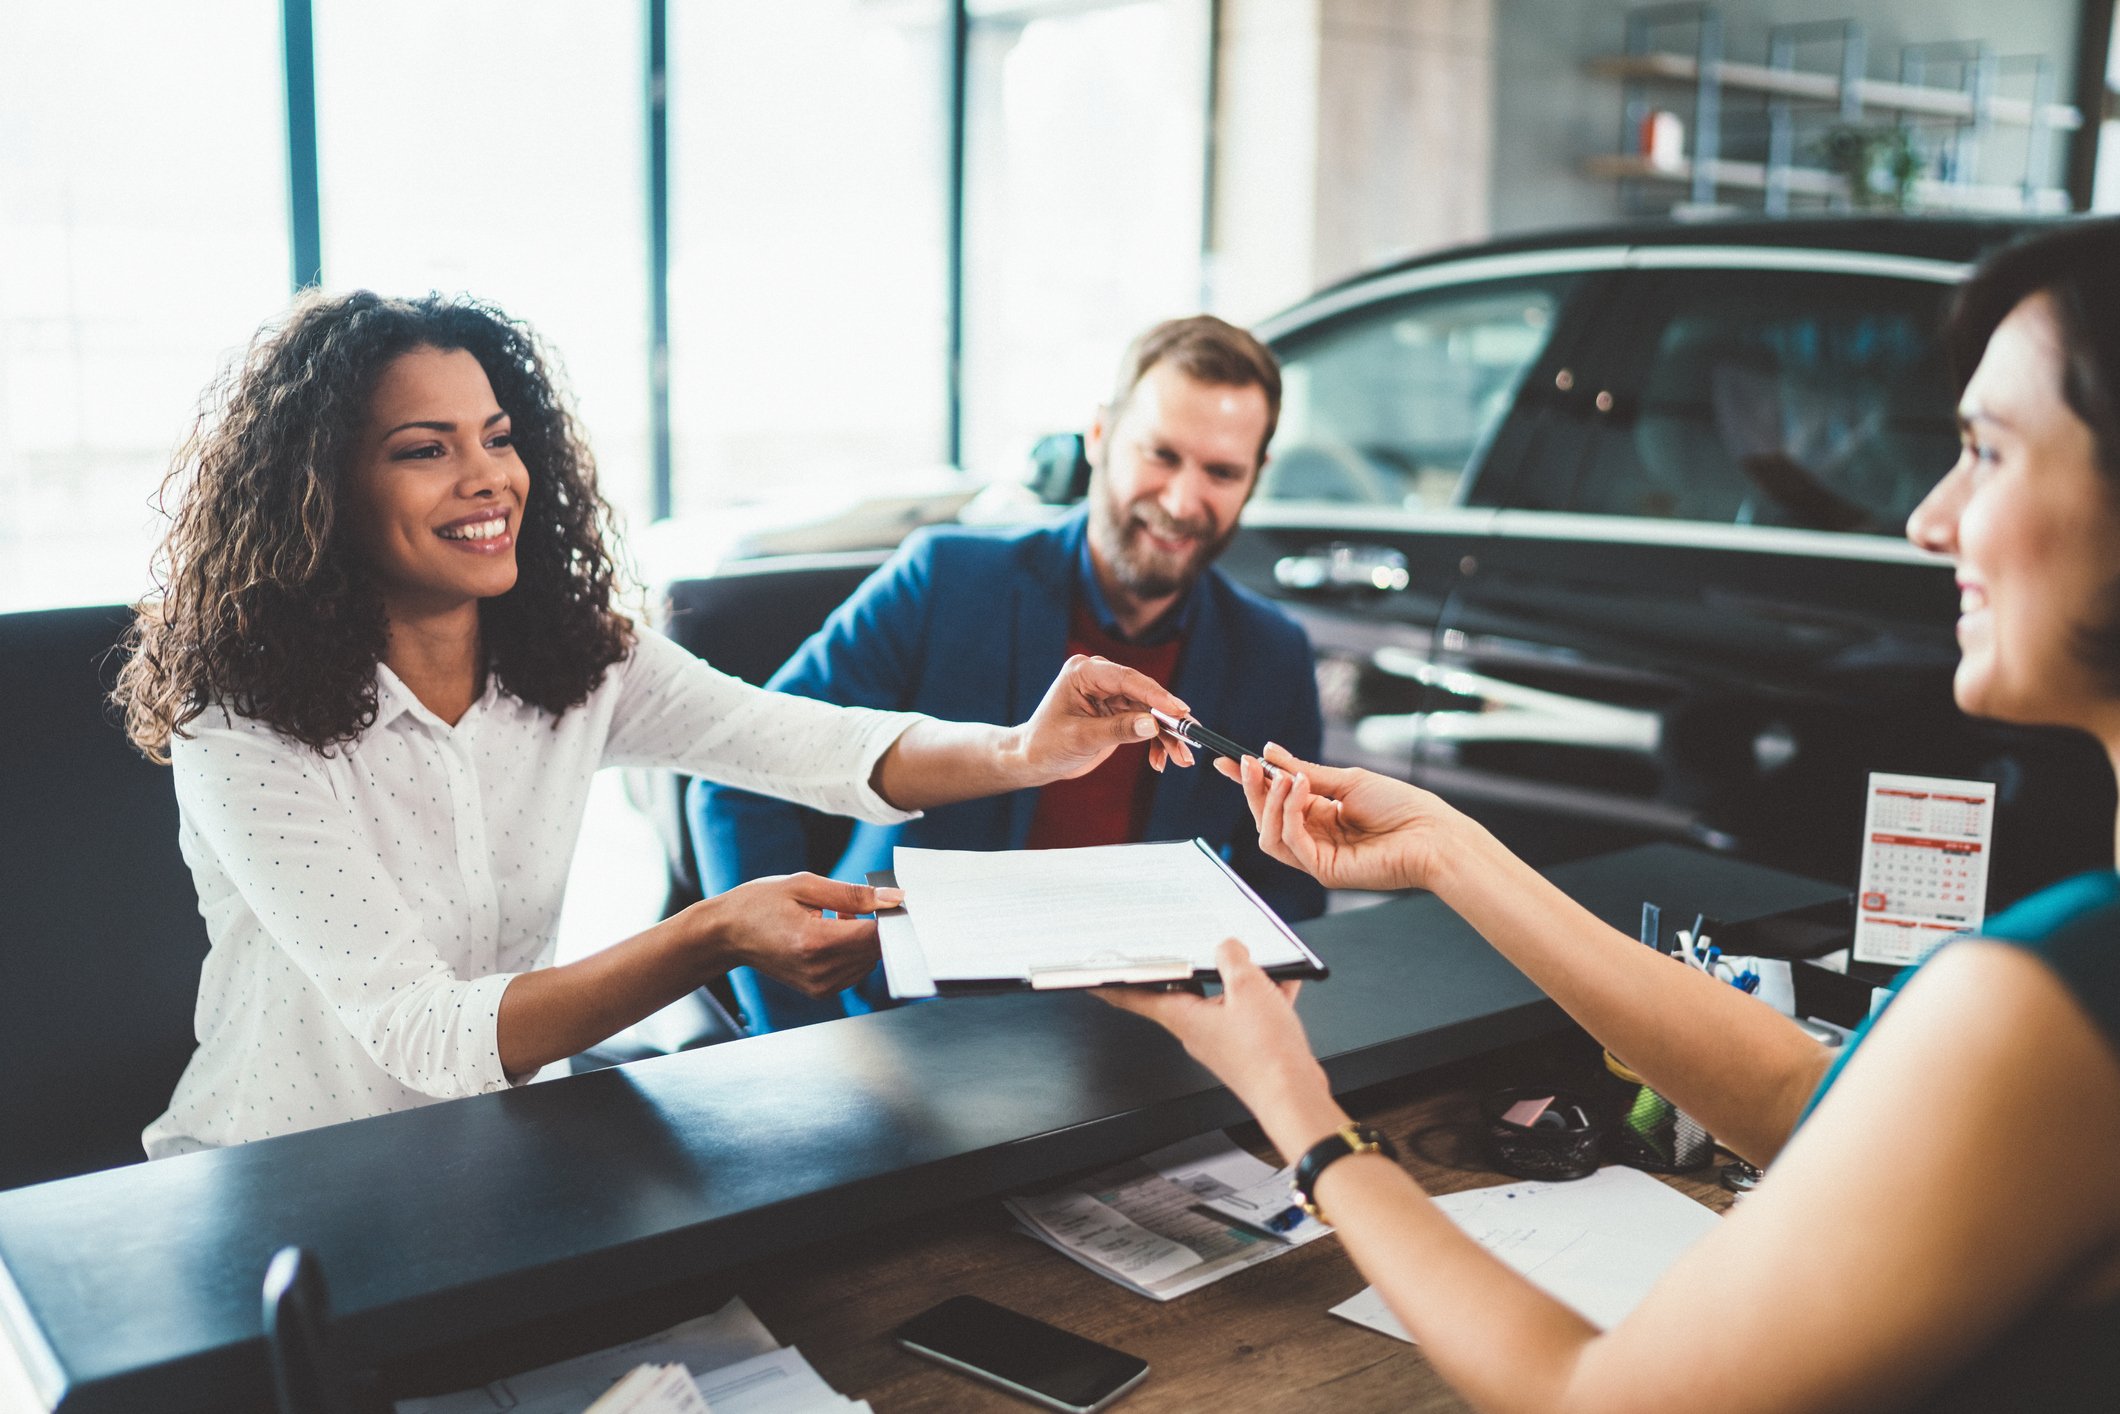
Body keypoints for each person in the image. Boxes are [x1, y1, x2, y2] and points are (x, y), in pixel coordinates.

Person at [1102, 219, 2120, 1412]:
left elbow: (1589, 1396)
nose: (1926, 518)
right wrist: (1451, 851)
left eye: (1988, 454)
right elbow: (1812, 1098)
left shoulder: (2057, 993)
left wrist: (1296, 1109)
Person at [115, 290, 1191, 1157]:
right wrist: (709, 933)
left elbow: (813, 746)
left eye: (496, 436)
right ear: (324, 490)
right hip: (277, 1173)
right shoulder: (240, 720)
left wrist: (1022, 750)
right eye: (424, 448)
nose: (488, 475)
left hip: (485, 1150)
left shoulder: (574, 659)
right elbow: (423, 1032)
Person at [693, 315, 1325, 1032]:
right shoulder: (943, 581)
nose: (1182, 502)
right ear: (1099, 437)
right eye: (1160, 455)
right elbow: (737, 778)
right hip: (906, 1023)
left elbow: (1287, 881)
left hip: (1137, 1041)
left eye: (1220, 472)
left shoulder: (1273, 651)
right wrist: (794, 1033)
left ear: (1255, 479)